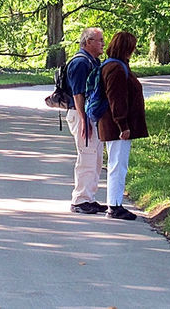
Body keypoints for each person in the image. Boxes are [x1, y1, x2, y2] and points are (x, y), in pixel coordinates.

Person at [97, 30, 148, 221]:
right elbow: (116, 99)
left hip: (114, 126)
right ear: (126, 48)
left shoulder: (114, 66)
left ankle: (115, 203)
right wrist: (123, 125)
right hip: (116, 128)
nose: (134, 51)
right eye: (132, 47)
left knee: (117, 164)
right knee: (118, 165)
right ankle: (114, 206)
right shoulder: (116, 69)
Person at [66, 27, 106, 215]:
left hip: (90, 116)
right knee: (87, 157)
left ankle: (89, 197)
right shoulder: (81, 63)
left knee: (96, 158)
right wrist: (84, 121)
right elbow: (78, 94)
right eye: (99, 40)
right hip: (82, 115)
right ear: (88, 42)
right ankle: (80, 200)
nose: (103, 44)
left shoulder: (93, 61)